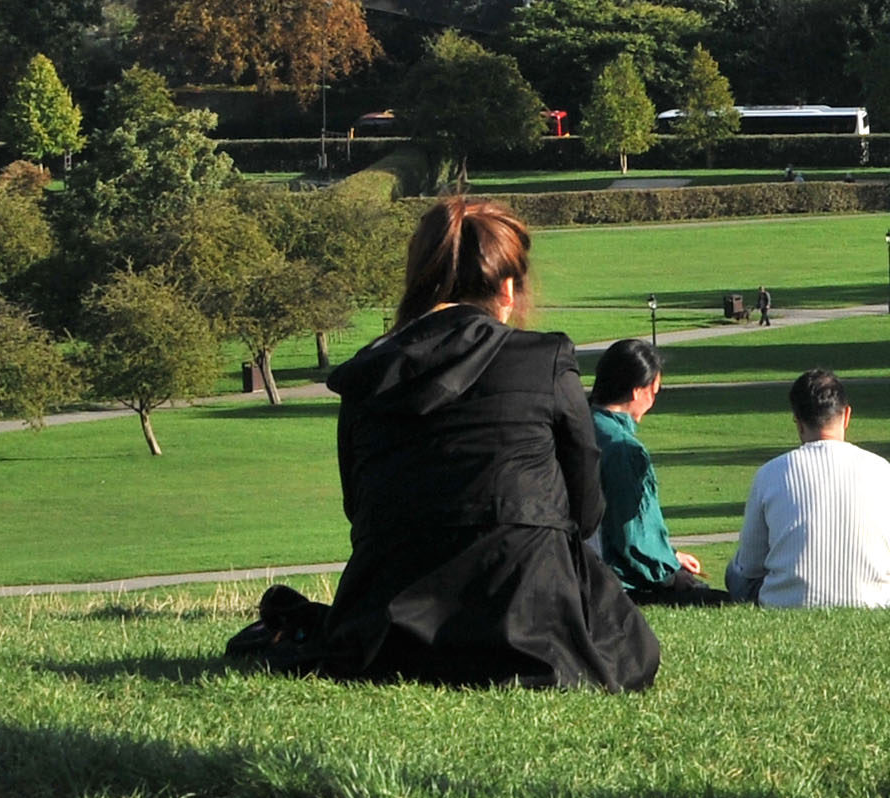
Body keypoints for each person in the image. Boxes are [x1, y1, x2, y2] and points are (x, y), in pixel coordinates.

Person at [233, 199, 660, 691]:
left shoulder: (368, 373)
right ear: (506, 287)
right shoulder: (544, 359)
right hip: (529, 623)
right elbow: (585, 510)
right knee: (629, 642)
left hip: (388, 625)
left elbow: (361, 509)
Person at [724, 368, 890, 607]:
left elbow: (750, 566)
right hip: (874, 600)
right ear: (847, 416)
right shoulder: (883, 470)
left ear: (798, 423)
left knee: (734, 572)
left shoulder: (769, 474)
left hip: (786, 601)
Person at [588, 339, 724, 606]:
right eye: (654, 392)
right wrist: (670, 572)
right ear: (638, 391)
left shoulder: (579, 425)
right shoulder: (622, 448)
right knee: (726, 601)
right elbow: (631, 539)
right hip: (616, 582)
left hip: (579, 568)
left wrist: (670, 555)